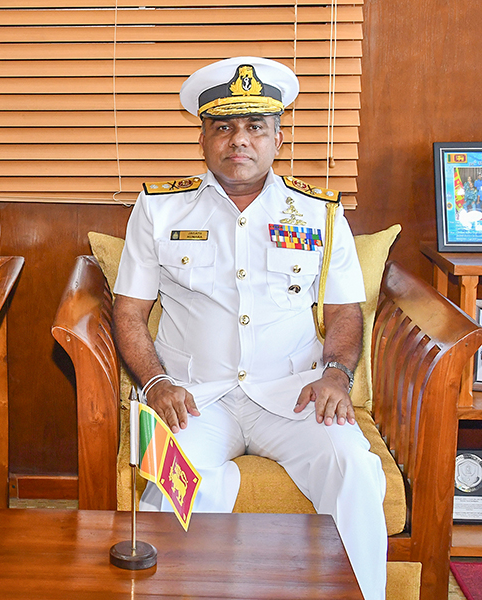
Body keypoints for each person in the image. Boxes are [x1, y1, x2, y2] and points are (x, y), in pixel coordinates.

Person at [112, 57, 386, 600]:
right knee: (167, 485)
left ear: (278, 139)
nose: (239, 139)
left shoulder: (319, 214)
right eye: (223, 126)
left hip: (295, 395)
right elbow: (128, 312)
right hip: (191, 397)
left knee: (355, 468)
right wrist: (155, 383)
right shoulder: (160, 208)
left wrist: (336, 374)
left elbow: (345, 312)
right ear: (202, 139)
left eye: (255, 126)